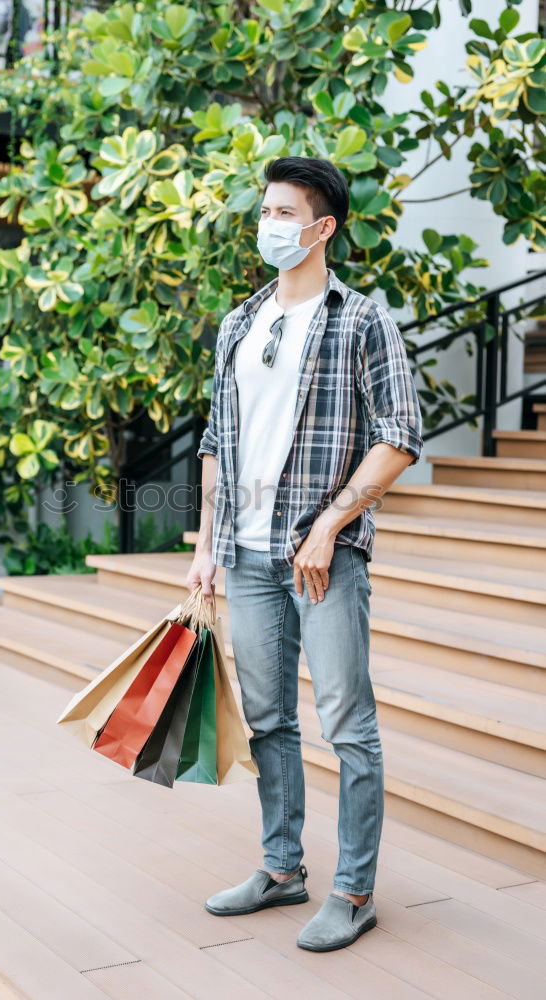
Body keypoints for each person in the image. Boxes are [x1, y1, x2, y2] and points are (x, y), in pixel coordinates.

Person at [186, 155, 423, 952]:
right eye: (266, 211)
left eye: (285, 213)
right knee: (268, 720)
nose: (269, 226)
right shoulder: (238, 323)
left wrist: (330, 525)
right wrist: (208, 545)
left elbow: (400, 436)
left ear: (322, 228)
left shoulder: (362, 320)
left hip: (323, 558)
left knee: (348, 725)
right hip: (246, 557)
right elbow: (219, 440)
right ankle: (282, 870)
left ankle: (354, 892)